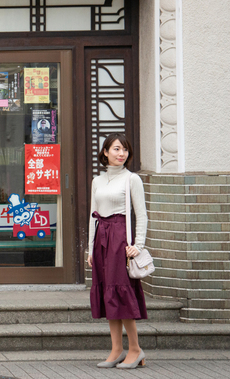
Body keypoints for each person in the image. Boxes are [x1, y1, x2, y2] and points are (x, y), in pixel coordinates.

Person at [87, 133, 148, 369]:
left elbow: (141, 214)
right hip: (101, 239)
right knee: (107, 293)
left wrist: (138, 245)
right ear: (105, 152)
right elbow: (93, 215)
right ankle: (116, 349)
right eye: (116, 149)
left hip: (121, 239)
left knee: (120, 292)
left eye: (124, 150)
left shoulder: (131, 179)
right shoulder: (97, 181)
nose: (121, 153)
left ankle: (135, 349)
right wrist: (90, 248)